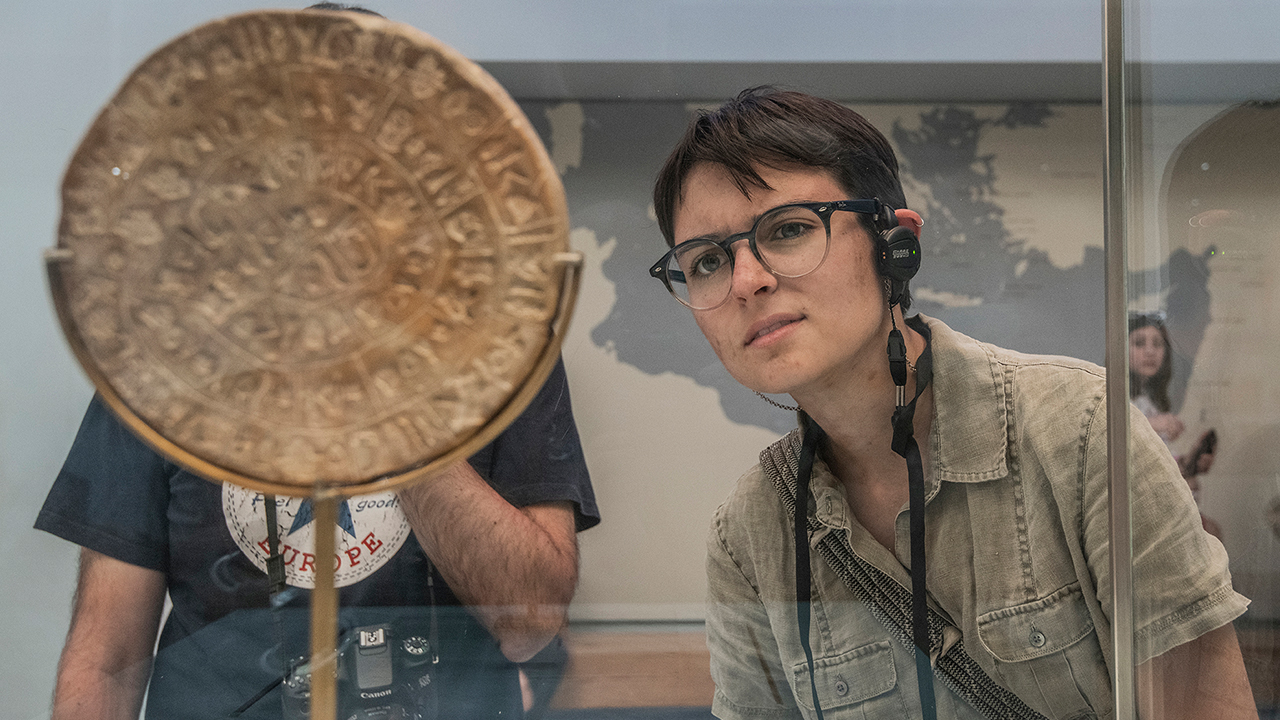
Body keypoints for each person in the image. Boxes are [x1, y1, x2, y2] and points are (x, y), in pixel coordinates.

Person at [648, 87, 1255, 719]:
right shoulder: (750, 531)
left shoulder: (1081, 431)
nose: (747, 280)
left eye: (790, 229)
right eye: (708, 261)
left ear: (894, 244)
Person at [1129, 312, 1221, 538]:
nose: (1150, 351)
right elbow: (1111, 437)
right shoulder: (1116, 398)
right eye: (1139, 343)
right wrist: (1152, 424)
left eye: (1157, 344)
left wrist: (1191, 464)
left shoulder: (1149, 401)